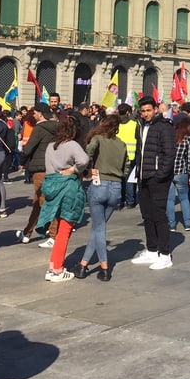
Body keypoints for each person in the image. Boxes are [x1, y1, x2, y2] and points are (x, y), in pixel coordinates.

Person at [74, 115, 127, 281]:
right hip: (116, 187)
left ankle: (104, 268)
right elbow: (126, 167)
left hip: (100, 183)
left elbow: (86, 155)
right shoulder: (121, 144)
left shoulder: (97, 139)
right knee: (98, 228)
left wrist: (86, 170)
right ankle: (83, 264)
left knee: (99, 229)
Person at [37, 115, 88, 282]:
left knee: (59, 229)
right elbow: (84, 160)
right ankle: (57, 269)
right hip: (68, 188)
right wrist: (73, 169)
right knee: (65, 231)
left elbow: (49, 168)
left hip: (52, 185)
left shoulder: (51, 146)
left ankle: (53, 266)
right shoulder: (72, 144)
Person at [130, 96, 176, 270]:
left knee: (159, 215)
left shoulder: (164, 127)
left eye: (148, 110)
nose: (146, 114)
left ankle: (164, 254)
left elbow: (169, 153)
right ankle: (151, 249)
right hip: (142, 176)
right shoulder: (140, 126)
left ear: (156, 109)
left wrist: (160, 175)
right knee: (147, 215)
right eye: (143, 111)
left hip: (157, 178)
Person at [17, 102, 58, 246]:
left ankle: (54, 235)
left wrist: (22, 160)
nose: (33, 115)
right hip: (53, 166)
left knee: (45, 201)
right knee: (37, 202)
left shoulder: (39, 128)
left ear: (40, 113)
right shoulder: (57, 127)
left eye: (35, 112)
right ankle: (27, 232)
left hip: (40, 168)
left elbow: (29, 148)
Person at [167, 114, 190, 232]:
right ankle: (187, 223)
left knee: (170, 200)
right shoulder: (187, 139)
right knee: (184, 198)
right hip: (181, 172)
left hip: (169, 171)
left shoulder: (169, 137)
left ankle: (172, 224)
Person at [115, 103, 139, 209]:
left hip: (117, 155)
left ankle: (120, 201)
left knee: (119, 178)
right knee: (129, 179)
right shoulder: (134, 124)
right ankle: (130, 201)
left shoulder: (115, 124)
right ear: (128, 112)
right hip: (131, 155)